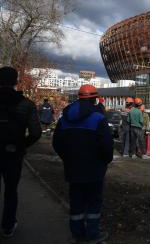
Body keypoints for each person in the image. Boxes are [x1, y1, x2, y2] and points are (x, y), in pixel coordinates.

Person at [52, 84, 113, 243]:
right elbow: (107, 145)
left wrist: (68, 159)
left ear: (79, 97)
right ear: (94, 99)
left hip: (73, 169)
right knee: (93, 202)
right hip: (94, 170)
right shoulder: (98, 118)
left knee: (76, 202)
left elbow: (57, 143)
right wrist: (104, 161)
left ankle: (77, 233)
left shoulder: (65, 118)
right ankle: (93, 234)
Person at [0, 66, 41, 238]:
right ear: (16, 82)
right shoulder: (26, 104)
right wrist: (21, 145)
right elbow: (36, 132)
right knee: (10, 190)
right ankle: (8, 225)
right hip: (13, 154)